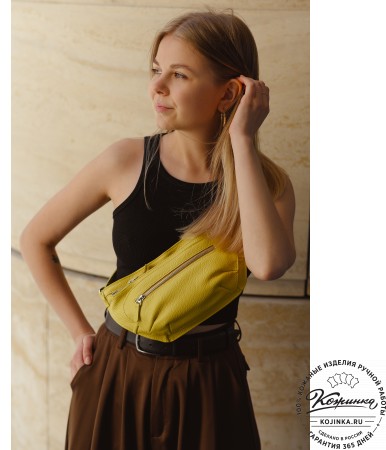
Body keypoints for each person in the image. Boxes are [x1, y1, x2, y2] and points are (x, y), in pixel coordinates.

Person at [20, 9, 296, 450]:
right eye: (156, 70)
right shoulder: (126, 160)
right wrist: (79, 332)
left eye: (179, 75)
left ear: (229, 93)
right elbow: (36, 239)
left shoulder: (269, 186)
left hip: (209, 381)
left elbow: (268, 265)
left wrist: (242, 140)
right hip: (117, 371)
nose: (157, 87)